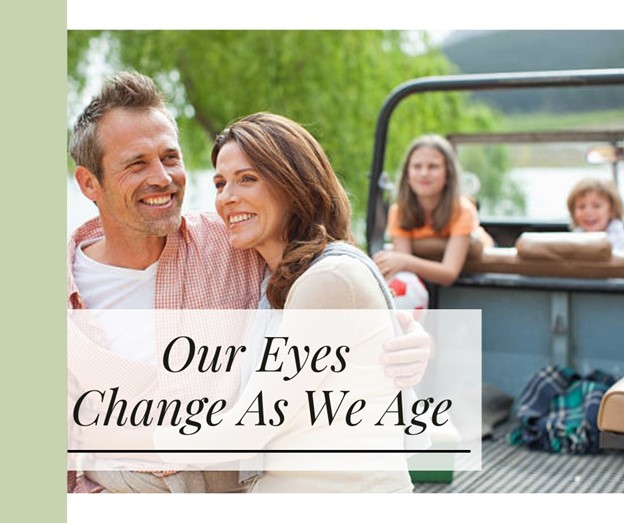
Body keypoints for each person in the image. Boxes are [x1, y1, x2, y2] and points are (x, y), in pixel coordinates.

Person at [67, 71, 430, 493]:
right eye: (136, 163)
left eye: (170, 157)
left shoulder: (238, 247)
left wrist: (408, 336)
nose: (163, 178)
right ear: (89, 183)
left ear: (292, 183)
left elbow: (342, 297)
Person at [154, 112, 417, 493]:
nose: (227, 197)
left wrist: (130, 435)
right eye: (220, 183)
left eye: (248, 179)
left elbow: (247, 430)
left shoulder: (328, 280)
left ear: (294, 185)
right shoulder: (281, 280)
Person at [373, 134, 492, 289]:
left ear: (448, 173)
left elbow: (449, 272)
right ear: (407, 175)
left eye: (433, 166)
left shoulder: (463, 210)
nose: (424, 173)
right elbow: (406, 270)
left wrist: (404, 261)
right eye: (417, 167)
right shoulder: (399, 212)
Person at [566, 177, 624, 254]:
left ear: (612, 210)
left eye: (596, 206)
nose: (588, 212)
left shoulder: (620, 238)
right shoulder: (574, 238)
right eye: (581, 207)